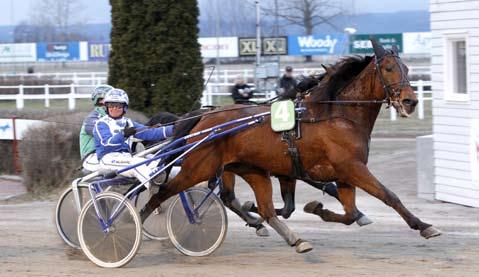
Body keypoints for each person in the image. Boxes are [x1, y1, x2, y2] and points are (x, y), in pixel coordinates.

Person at [93, 88, 173, 187]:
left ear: (124, 108)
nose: (114, 108)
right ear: (106, 107)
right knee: (136, 163)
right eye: (111, 105)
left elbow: (150, 132)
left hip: (126, 158)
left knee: (156, 161)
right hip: (108, 159)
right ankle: (154, 187)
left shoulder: (129, 122)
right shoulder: (101, 124)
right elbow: (106, 144)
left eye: (118, 106)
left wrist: (176, 128)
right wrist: (123, 135)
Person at [79, 84, 114, 171]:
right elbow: (103, 134)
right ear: (102, 101)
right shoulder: (92, 118)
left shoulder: (113, 117)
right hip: (92, 157)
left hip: (110, 155)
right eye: (112, 100)